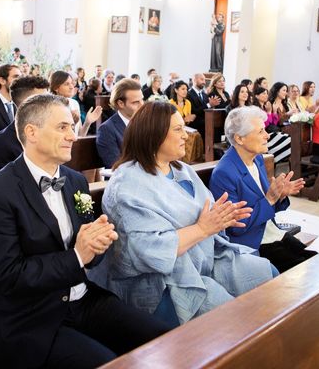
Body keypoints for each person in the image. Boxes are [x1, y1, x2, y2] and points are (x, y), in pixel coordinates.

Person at [0, 94, 170, 368]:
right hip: (30, 317)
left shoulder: (75, 181)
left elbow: (91, 251)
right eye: (62, 127)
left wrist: (98, 243)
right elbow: (8, 276)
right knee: (110, 364)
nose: (73, 136)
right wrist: (77, 256)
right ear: (32, 132)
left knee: (165, 340)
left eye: (72, 126)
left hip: (83, 299)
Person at [88, 102, 275, 326]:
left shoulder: (180, 168)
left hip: (206, 256)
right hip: (162, 280)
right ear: (153, 135)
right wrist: (202, 228)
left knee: (269, 275)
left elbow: (208, 209)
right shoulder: (127, 185)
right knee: (232, 319)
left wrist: (223, 216)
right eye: (177, 129)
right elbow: (151, 251)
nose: (185, 136)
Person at [209, 107, 315, 272]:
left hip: (271, 232)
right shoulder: (224, 173)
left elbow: (267, 205)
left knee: (315, 259)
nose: (267, 135)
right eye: (260, 131)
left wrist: (279, 196)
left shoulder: (257, 159)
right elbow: (236, 227)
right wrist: (270, 199)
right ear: (239, 138)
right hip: (252, 243)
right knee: (304, 270)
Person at [0, 76, 49, 174]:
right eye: (44, 101)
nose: (50, 105)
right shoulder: (2, 142)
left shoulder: (51, 133)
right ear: (24, 105)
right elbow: (4, 183)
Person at [96, 78, 143, 168]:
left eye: (142, 100)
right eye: (136, 102)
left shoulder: (145, 125)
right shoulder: (107, 130)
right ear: (121, 103)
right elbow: (116, 166)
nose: (142, 105)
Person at [50, 71, 102, 137]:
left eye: (72, 83)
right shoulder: (51, 106)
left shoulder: (74, 103)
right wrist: (71, 123)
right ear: (56, 88)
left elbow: (80, 135)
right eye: (66, 84)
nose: (71, 87)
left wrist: (87, 122)